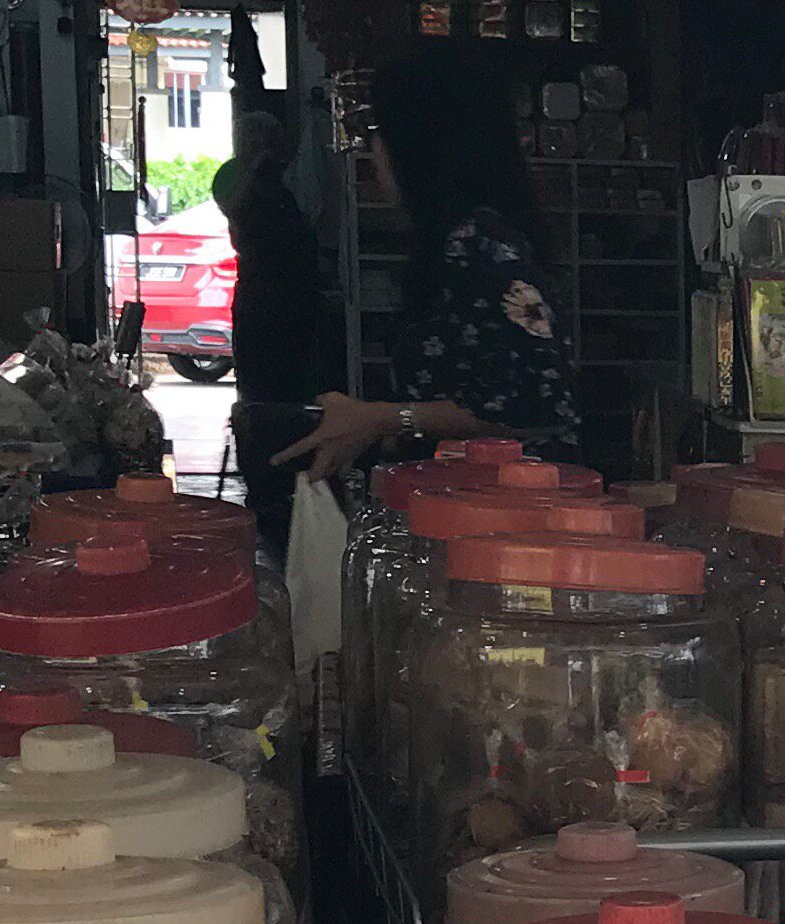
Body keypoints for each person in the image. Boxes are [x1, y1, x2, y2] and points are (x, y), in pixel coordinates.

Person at [275, 48, 580, 482]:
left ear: (421, 145)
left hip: (504, 505)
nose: (373, 151)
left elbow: (534, 403)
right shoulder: (464, 239)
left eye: (380, 132)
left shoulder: (478, 243)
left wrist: (382, 419)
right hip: (466, 497)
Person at [217, 104, 339, 556]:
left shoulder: (289, 180)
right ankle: (266, 490)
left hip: (287, 302)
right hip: (264, 300)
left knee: (292, 395)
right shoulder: (238, 179)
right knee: (259, 398)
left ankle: (292, 486)